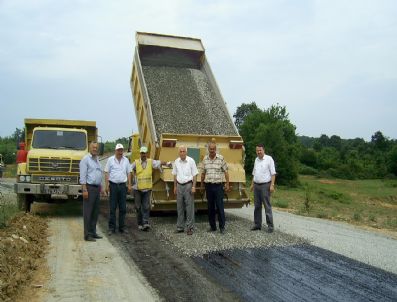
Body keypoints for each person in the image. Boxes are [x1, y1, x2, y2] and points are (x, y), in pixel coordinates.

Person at [131, 146, 169, 231]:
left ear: (147, 154)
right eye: (142, 153)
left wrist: (167, 163)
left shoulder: (150, 162)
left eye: (145, 153)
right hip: (137, 189)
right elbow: (129, 170)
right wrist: (131, 181)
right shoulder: (135, 163)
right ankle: (139, 223)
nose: (143, 155)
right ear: (140, 154)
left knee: (146, 206)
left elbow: (159, 162)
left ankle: (145, 223)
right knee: (138, 207)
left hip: (147, 189)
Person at [200, 142, 230, 234]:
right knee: (210, 207)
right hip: (208, 186)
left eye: (213, 149)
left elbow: (226, 172)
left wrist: (227, 184)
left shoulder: (221, 158)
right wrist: (202, 185)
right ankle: (212, 226)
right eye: (210, 149)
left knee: (220, 207)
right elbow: (203, 173)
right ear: (208, 149)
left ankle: (222, 227)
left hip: (218, 186)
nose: (212, 150)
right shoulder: (205, 159)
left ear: (215, 149)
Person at [104, 143, 132, 235]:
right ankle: (111, 228)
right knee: (112, 208)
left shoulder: (126, 160)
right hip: (113, 186)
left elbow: (129, 173)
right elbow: (106, 172)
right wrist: (106, 185)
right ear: (115, 151)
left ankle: (122, 228)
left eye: (121, 150)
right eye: (118, 150)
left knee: (123, 208)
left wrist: (129, 184)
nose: (120, 152)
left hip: (123, 186)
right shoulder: (110, 160)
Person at [79, 141, 103, 242]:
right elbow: (83, 176)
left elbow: (98, 174)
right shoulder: (86, 159)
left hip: (96, 188)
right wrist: (84, 190)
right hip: (89, 188)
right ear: (90, 148)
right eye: (93, 147)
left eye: (96, 148)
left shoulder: (96, 159)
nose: (95, 149)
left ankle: (93, 232)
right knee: (88, 212)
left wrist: (100, 187)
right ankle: (87, 235)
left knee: (95, 212)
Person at [172, 146, 198, 235]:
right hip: (179, 185)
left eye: (183, 151)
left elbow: (194, 175)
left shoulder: (191, 161)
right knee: (179, 207)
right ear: (179, 153)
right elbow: (175, 175)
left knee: (189, 207)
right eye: (180, 151)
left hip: (188, 185)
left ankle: (190, 228)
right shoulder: (176, 161)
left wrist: (194, 187)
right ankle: (180, 227)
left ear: (186, 152)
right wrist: (174, 186)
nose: (182, 153)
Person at [250, 144, 276, 233]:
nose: (258, 152)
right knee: (257, 206)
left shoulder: (269, 159)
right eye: (257, 150)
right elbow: (254, 173)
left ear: (263, 150)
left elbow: (273, 173)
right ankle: (257, 224)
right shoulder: (256, 160)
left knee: (267, 206)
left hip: (265, 185)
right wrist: (252, 184)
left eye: (260, 150)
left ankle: (270, 226)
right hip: (256, 185)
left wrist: (272, 185)